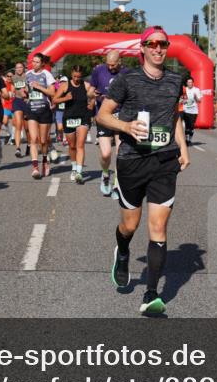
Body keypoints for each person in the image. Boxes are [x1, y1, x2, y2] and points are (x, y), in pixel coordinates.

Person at [96, 26, 189, 316]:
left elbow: (175, 116)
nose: (159, 49)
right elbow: (102, 115)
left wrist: (182, 147)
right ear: (143, 49)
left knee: (158, 227)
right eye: (153, 44)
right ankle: (122, 252)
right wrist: (125, 127)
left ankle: (151, 295)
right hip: (132, 160)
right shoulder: (127, 80)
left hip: (164, 161)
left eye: (163, 44)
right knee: (130, 226)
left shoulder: (176, 80)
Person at [89, 50, 129, 197]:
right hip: (104, 116)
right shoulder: (98, 71)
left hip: (121, 116)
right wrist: (93, 95)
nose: (110, 67)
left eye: (113, 65)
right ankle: (105, 174)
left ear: (120, 62)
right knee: (106, 154)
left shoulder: (127, 73)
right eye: (108, 64)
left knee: (120, 153)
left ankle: (117, 184)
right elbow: (89, 91)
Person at [53, 64, 97, 184]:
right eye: (74, 76)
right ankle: (74, 167)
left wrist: (92, 104)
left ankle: (79, 172)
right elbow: (54, 100)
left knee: (80, 145)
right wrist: (65, 98)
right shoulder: (65, 85)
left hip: (83, 117)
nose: (77, 79)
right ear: (71, 74)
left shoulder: (86, 85)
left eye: (79, 77)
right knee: (72, 146)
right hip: (69, 118)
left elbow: (93, 96)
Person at [22, 53, 59, 179]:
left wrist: (39, 87)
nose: (34, 64)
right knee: (33, 139)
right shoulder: (27, 75)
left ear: (42, 63)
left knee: (43, 141)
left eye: (37, 62)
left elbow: (52, 92)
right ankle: (35, 168)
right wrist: (25, 92)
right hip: (31, 109)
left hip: (44, 110)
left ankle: (44, 160)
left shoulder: (46, 74)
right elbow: (25, 92)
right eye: (33, 61)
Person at [10, 62, 29, 157]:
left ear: (23, 68)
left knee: (27, 128)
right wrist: (12, 93)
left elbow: (31, 88)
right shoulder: (13, 78)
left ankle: (29, 145)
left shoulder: (28, 76)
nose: (19, 69)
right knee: (18, 125)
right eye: (17, 67)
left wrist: (26, 91)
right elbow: (13, 88)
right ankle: (18, 148)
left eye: (20, 67)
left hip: (27, 102)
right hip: (17, 101)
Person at [181, 76, 202, 144]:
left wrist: (196, 97)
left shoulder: (196, 90)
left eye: (191, 82)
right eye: (188, 82)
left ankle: (190, 138)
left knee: (191, 126)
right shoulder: (184, 90)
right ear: (186, 83)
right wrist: (182, 101)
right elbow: (180, 99)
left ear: (193, 83)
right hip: (185, 110)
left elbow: (199, 101)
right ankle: (187, 139)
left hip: (194, 111)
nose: (190, 83)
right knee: (187, 125)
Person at [0, 70, 15, 142]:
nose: (9, 77)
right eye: (8, 76)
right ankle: (9, 133)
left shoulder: (15, 84)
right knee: (5, 122)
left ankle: (13, 137)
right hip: (6, 105)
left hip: (14, 106)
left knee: (15, 123)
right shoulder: (4, 84)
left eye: (11, 76)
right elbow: (1, 94)